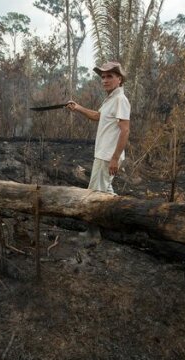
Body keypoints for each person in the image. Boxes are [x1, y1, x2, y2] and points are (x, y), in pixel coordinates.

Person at [66, 61, 131, 243]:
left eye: (110, 76)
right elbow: (97, 116)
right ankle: (127, 218)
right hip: (104, 154)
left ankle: (93, 234)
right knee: (107, 193)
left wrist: (115, 159)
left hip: (107, 156)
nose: (105, 80)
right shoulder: (110, 99)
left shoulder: (120, 100)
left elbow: (125, 130)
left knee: (93, 194)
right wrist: (77, 107)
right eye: (103, 77)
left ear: (119, 79)